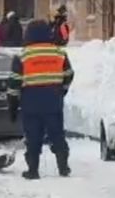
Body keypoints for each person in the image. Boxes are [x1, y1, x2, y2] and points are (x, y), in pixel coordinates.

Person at [9, 20, 72, 179]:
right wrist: (61, 90)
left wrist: (13, 106)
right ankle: (63, 167)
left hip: (31, 104)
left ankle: (33, 170)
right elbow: (69, 74)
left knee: (33, 137)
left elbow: (14, 84)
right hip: (53, 102)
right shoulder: (59, 53)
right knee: (57, 135)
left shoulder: (22, 56)